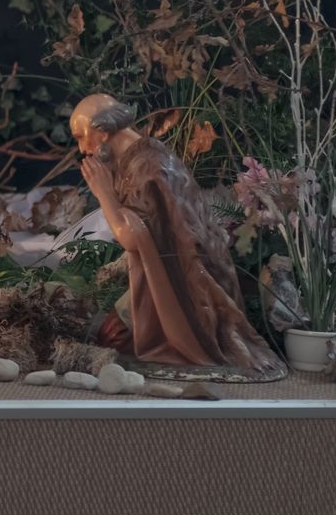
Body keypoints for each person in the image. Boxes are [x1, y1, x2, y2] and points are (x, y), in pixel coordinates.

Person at [70, 93, 285, 374]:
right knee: (106, 330)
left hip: (191, 297)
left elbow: (134, 239)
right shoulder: (141, 156)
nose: (81, 148)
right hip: (166, 280)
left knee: (113, 335)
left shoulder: (147, 170)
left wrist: (105, 194)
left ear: (101, 132)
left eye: (80, 136)